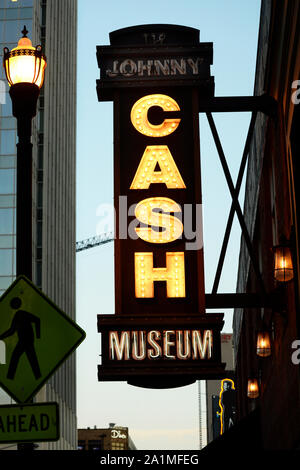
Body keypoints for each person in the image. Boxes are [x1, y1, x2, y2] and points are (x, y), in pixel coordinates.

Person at [0, 297, 41, 380]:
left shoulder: (21, 313)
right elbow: (12, 330)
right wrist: (1, 337)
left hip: (27, 340)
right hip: (23, 340)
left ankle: (10, 377)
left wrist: (38, 336)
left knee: (22, 357)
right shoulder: (17, 315)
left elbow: (37, 320)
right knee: (29, 359)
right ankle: (11, 377)